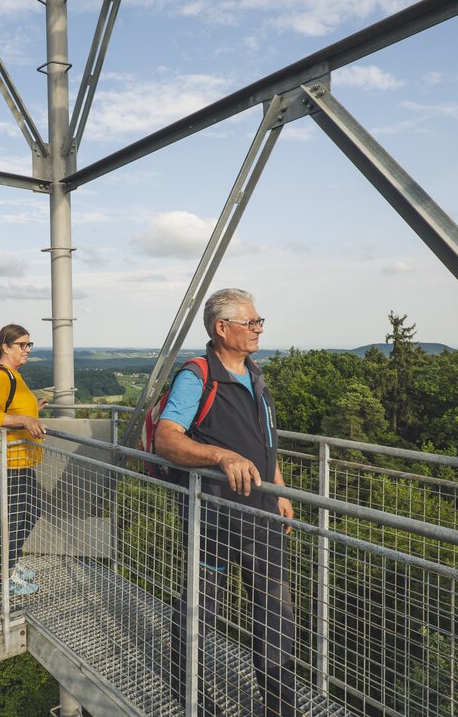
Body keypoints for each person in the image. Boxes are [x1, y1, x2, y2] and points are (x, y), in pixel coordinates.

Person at [155, 288, 297, 717]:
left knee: (275, 611)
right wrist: (220, 456)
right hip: (215, 516)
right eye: (251, 322)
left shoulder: (255, 373)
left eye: (259, 321)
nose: (259, 329)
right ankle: (189, 693)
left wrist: (279, 489)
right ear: (222, 328)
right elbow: (167, 439)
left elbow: (265, 441)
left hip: (263, 513)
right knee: (202, 606)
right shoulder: (197, 376)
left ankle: (280, 706)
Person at [0, 324, 48, 596]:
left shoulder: (14, 375)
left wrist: (33, 410)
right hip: (8, 460)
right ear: (5, 347)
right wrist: (25, 419)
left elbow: (11, 408)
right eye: (22, 345)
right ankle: (4, 577)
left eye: (29, 344)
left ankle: (9, 565)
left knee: (27, 512)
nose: (27, 349)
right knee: (16, 517)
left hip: (20, 459)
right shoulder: (1, 376)